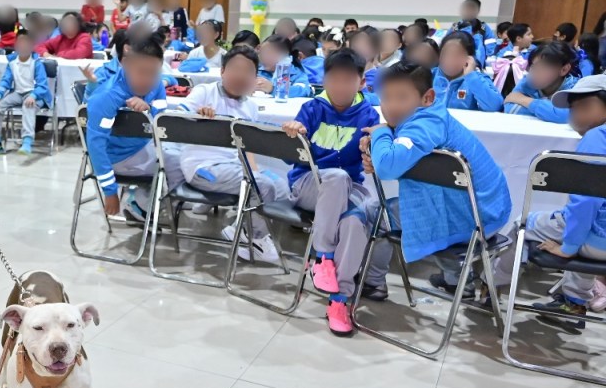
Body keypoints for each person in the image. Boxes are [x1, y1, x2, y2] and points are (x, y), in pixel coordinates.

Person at [362, 61, 511, 301]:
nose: (391, 106)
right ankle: (457, 281)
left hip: (474, 216)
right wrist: (378, 147)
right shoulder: (433, 115)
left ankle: (373, 282)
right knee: (419, 203)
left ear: (427, 97)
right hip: (484, 210)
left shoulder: (425, 124)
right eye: (386, 98)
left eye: (401, 97)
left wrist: (380, 133)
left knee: (373, 212)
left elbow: (387, 167)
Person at [491, 75, 606, 330]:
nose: (574, 115)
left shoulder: (596, 138)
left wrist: (569, 247)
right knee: (575, 225)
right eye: (573, 109)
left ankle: (491, 286)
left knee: (523, 224)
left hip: (598, 238)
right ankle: (573, 302)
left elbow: (586, 200)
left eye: (583, 107)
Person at [281, 50, 380, 335]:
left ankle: (339, 300)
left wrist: (376, 143)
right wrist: (293, 134)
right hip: (307, 185)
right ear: (324, 80)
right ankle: (323, 256)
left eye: (348, 80)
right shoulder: (311, 109)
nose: (340, 86)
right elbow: (289, 158)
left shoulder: (368, 115)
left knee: (354, 222)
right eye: (334, 79)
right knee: (336, 177)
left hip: (349, 188)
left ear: (362, 82)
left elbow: (372, 162)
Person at [176, 45, 284, 262]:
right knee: (262, 186)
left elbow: (247, 148)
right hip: (204, 168)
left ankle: (242, 227)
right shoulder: (204, 92)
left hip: (234, 167)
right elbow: (175, 117)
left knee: (281, 188)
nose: (240, 76)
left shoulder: (250, 107)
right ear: (223, 71)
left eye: (247, 71)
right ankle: (252, 236)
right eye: (236, 69)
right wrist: (196, 114)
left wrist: (256, 172)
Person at [84, 37, 183, 222]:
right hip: (117, 158)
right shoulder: (106, 96)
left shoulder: (157, 85)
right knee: (181, 166)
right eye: (142, 72)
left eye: (154, 73)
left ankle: (148, 199)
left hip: (145, 145)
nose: (148, 80)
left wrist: (148, 109)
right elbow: (96, 147)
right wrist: (110, 191)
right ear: (126, 64)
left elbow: (161, 118)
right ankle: (141, 204)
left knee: (188, 153)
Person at [0, 30, 50, 157]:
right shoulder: (12, 62)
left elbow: (43, 85)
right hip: (18, 93)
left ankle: (27, 141)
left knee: (28, 105)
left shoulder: (37, 63)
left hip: (36, 95)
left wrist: (33, 95)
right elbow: (5, 81)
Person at [504, 41, 578, 123]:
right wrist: (550, 112)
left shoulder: (575, 88)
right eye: (533, 66)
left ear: (564, 70)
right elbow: (509, 108)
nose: (535, 74)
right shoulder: (526, 83)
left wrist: (524, 100)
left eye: (543, 68)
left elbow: (569, 115)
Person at [432, 31, 503, 112]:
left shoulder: (477, 79)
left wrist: (471, 77)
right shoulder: (430, 75)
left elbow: (495, 106)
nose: (450, 60)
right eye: (445, 54)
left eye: (457, 55)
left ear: (470, 58)